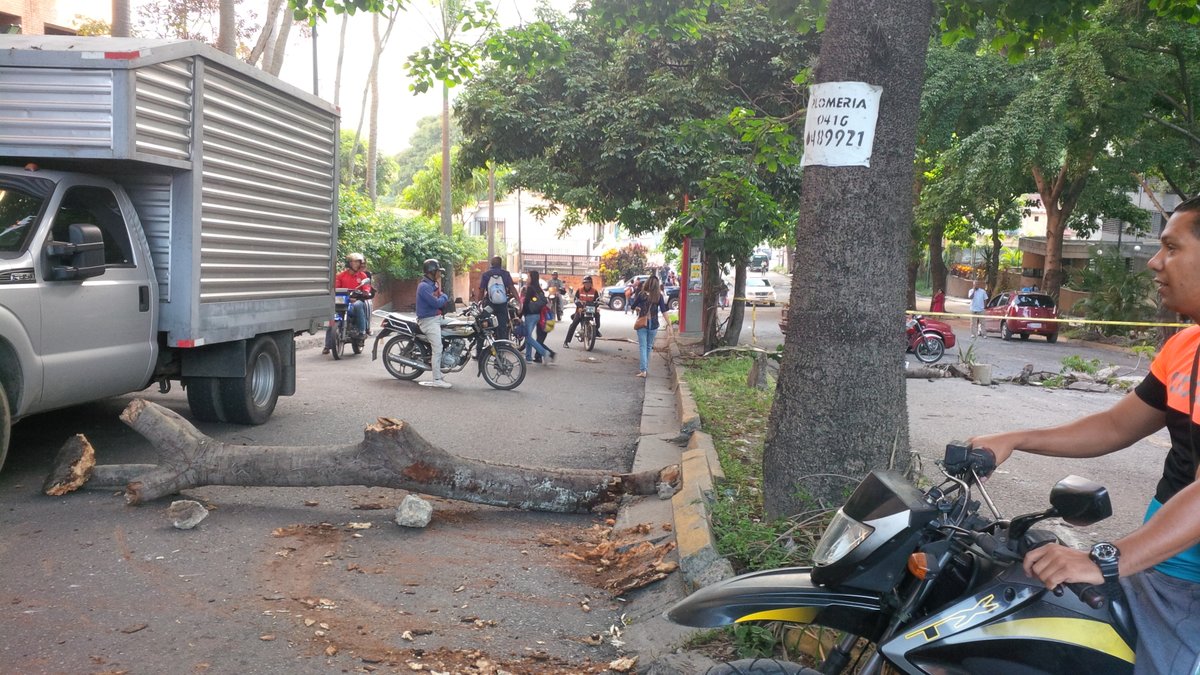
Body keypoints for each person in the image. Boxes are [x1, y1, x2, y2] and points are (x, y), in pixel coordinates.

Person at [969, 196, 1200, 675]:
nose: (1155, 262)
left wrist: (1107, 560)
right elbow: (1116, 426)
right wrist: (1014, 438)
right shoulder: (1186, 346)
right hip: (1157, 569)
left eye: (1172, 247)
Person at [324, 252, 373, 354]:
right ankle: (327, 345)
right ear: (349, 263)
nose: (357, 264)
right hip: (343, 300)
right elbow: (336, 287)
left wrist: (365, 291)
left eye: (358, 262)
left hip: (357, 300)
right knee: (332, 319)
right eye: (355, 262)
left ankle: (361, 331)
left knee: (358, 305)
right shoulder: (341, 275)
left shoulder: (362, 275)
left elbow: (367, 287)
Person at [415, 258, 451, 388]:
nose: (439, 274)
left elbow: (440, 299)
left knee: (458, 326)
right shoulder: (424, 287)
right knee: (438, 348)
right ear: (431, 272)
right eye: (438, 271)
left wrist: (442, 297)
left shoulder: (433, 284)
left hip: (436, 317)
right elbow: (437, 302)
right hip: (428, 321)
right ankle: (436, 379)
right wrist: (445, 297)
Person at [629, 274, 668, 379]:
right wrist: (669, 324)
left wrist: (638, 308)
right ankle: (645, 368)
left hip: (642, 323)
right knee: (648, 347)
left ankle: (643, 370)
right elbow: (664, 311)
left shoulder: (641, 295)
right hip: (654, 324)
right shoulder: (658, 296)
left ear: (647, 283)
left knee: (642, 346)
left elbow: (632, 306)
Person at [519, 270, 555, 365]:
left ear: (532, 278)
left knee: (527, 337)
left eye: (528, 277)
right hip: (538, 315)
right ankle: (528, 357)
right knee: (529, 336)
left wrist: (520, 315)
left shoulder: (530, 289)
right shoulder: (539, 289)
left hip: (530, 315)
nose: (527, 279)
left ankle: (545, 353)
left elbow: (526, 303)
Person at [479, 256, 518, 340]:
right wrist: (519, 300)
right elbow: (512, 288)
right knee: (502, 326)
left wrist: (479, 302)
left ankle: (480, 349)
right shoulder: (505, 274)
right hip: (502, 305)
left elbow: (481, 290)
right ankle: (502, 346)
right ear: (501, 264)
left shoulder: (486, 274)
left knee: (484, 324)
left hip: (489, 305)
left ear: (491, 264)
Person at [563, 275, 603, 347]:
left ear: (591, 283)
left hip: (591, 309)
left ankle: (596, 330)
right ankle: (566, 342)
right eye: (586, 283)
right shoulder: (579, 290)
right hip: (581, 309)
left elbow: (597, 300)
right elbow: (576, 299)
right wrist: (580, 306)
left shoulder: (594, 291)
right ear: (583, 283)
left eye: (589, 283)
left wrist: (596, 305)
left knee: (598, 315)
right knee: (574, 324)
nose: (587, 284)